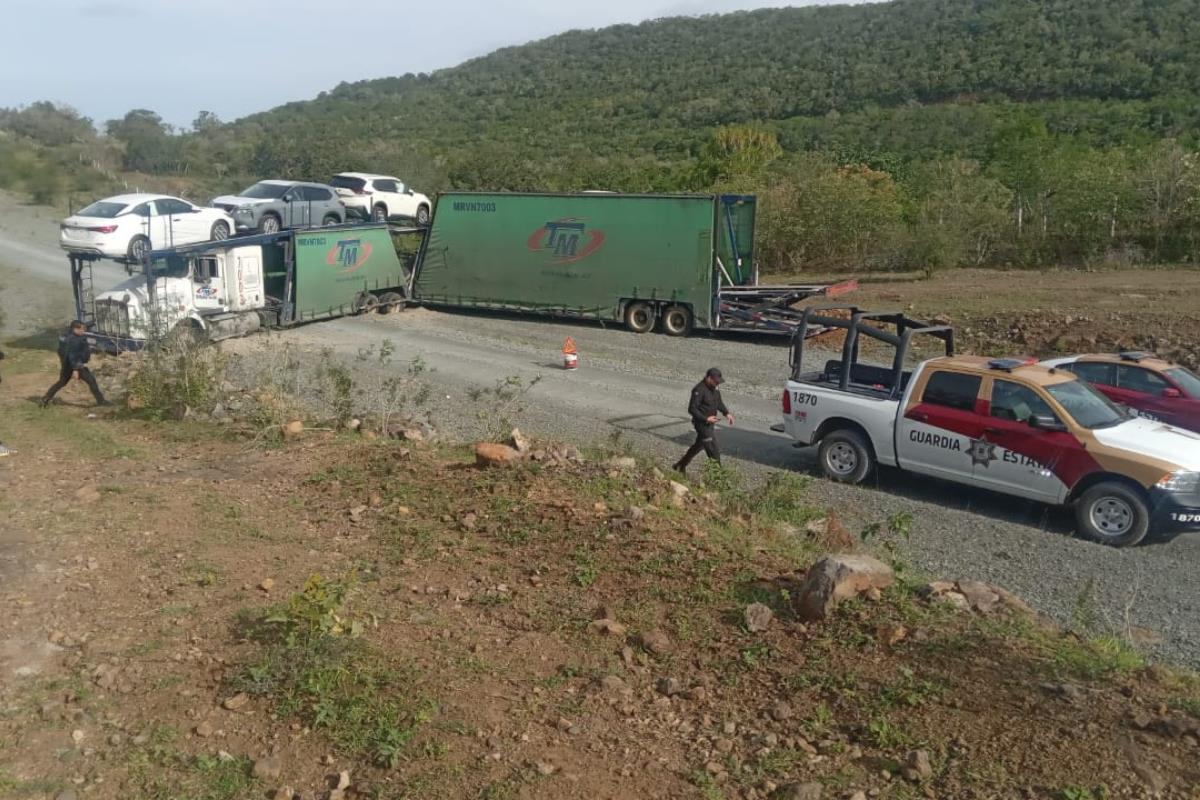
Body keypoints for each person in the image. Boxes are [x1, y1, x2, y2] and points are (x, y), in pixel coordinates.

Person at [672, 367, 733, 474]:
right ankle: (718, 478)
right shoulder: (699, 390)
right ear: (708, 378)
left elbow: (719, 403)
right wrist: (706, 418)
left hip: (710, 424)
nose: (717, 384)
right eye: (715, 381)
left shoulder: (714, 389)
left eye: (718, 382)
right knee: (713, 450)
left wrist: (726, 413)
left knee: (698, 446)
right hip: (702, 424)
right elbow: (692, 409)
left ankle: (679, 466)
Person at [40, 321, 108, 407]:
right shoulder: (74, 340)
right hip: (76, 365)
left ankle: (45, 399)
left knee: (61, 382)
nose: (83, 331)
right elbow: (73, 356)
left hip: (67, 365)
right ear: (75, 329)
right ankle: (101, 401)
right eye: (82, 329)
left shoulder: (70, 337)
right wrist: (75, 370)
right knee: (91, 381)